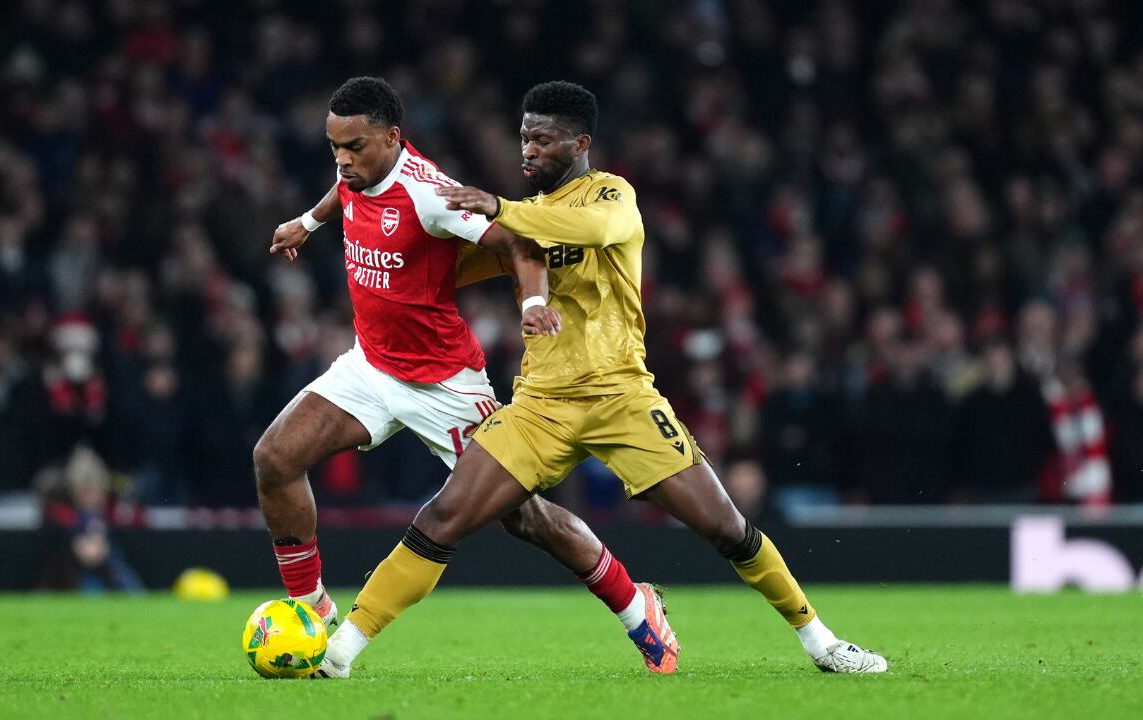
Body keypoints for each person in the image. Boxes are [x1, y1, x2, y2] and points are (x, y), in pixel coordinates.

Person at [317, 81, 888, 678]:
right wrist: (382, 231)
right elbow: (448, 267)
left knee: (727, 529)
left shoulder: (611, 194)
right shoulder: (523, 220)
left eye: (543, 139)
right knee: (443, 517)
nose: (528, 149)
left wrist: (501, 208)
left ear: (580, 143)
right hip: (541, 405)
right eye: (524, 137)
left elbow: (592, 229)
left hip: (622, 397)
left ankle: (823, 642)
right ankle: (339, 653)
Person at [258, 77, 677, 672]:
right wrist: (308, 221)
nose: (343, 160)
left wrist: (534, 303)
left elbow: (522, 245)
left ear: (392, 138)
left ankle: (636, 606)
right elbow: (343, 190)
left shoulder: (431, 195)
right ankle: (310, 610)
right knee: (275, 458)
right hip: (371, 365)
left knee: (525, 516)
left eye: (354, 147)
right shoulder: (356, 173)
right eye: (335, 148)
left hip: (446, 384)